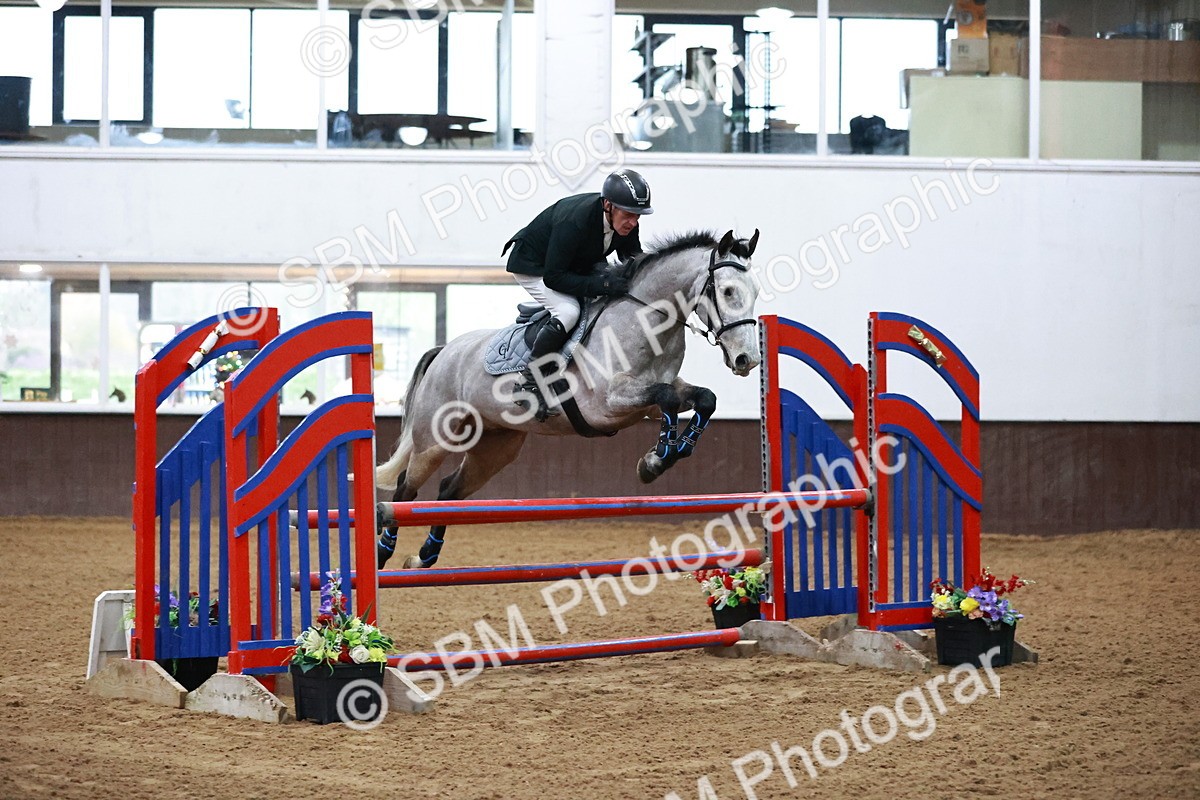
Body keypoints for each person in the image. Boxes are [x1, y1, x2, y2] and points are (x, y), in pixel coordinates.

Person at [501, 169, 653, 418]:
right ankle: (529, 381)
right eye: (628, 215)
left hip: (573, 263)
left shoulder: (626, 222)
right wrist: (604, 286)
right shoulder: (576, 220)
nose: (633, 223)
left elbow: (632, 261)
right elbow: (554, 277)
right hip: (535, 267)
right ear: (608, 206)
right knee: (569, 311)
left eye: (638, 216)